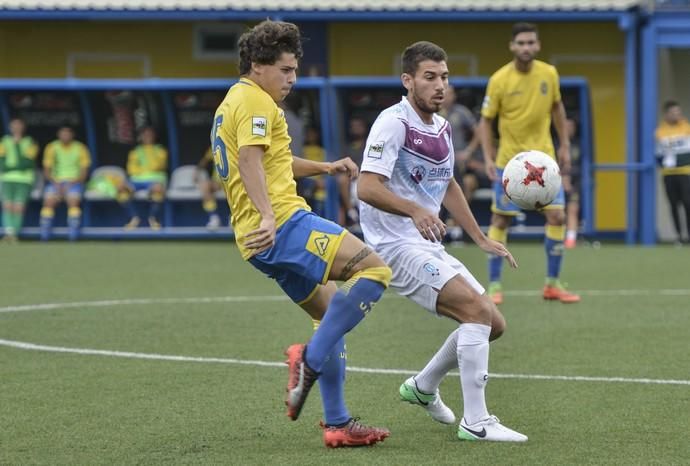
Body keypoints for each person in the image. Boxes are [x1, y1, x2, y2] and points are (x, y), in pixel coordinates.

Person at [212, 20, 392, 448]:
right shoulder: (256, 101)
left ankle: (337, 423)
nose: (292, 79)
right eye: (286, 70)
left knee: (329, 314)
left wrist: (325, 168)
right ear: (258, 66)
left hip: (255, 241)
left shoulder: (234, 100)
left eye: (294, 70)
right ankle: (307, 361)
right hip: (283, 225)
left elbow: (274, 159)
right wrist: (269, 216)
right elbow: (250, 161)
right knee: (375, 272)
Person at [358, 41, 527, 443]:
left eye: (444, 77)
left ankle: (423, 386)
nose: (439, 86)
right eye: (430, 77)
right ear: (408, 80)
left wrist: (480, 236)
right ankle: (477, 421)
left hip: (426, 245)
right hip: (393, 246)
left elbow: (447, 182)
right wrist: (414, 211)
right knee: (475, 310)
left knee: (493, 324)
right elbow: (366, 186)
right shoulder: (392, 122)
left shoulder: (444, 127)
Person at [477, 22, 580, 304]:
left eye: (531, 42)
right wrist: (487, 157)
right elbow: (486, 122)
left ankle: (552, 284)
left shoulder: (549, 73)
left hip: (545, 163)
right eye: (521, 43)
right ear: (512, 46)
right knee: (501, 219)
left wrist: (565, 145)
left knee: (557, 216)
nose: (526, 47)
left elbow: (557, 107)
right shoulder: (499, 79)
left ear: (538, 45)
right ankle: (495, 287)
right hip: (509, 166)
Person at [39, 126, 91, 241]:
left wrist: (72, 183)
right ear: (58, 134)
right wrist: (55, 183)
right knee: (49, 201)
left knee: (73, 200)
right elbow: (47, 170)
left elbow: (84, 172)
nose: (65, 136)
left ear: (72, 135)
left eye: (68, 133)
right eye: (63, 133)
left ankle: (73, 235)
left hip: (74, 182)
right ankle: (44, 235)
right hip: (56, 182)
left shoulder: (80, 148)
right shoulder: (52, 147)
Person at [655, 100, 690, 245]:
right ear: (666, 114)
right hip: (668, 174)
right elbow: (657, 154)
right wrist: (663, 163)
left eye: (678, 112)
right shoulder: (659, 132)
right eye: (673, 112)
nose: (677, 115)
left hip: (685, 172)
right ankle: (678, 236)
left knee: (688, 203)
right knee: (673, 204)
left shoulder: (687, 128)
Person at [120, 126, 168, 230]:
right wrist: (144, 170)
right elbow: (131, 168)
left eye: (150, 134)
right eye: (145, 135)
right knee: (122, 188)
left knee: (157, 190)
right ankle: (133, 217)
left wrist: (143, 170)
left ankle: (153, 218)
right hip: (136, 180)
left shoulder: (160, 150)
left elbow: (159, 165)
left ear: (154, 136)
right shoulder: (135, 151)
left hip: (155, 179)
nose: (147, 137)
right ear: (141, 137)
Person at [0, 118, 39, 243]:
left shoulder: (30, 142)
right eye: (13, 126)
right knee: (7, 206)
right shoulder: (4, 141)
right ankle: (8, 233)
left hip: (24, 180)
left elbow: (27, 163)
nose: (16, 128)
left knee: (18, 207)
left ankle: (15, 234)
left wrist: (16, 145)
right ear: (10, 127)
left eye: (18, 125)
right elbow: (2, 163)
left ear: (23, 127)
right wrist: (10, 167)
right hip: (6, 179)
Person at [299, 126, 327, 217]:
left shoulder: (322, 151)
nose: (310, 136)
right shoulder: (301, 150)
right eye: (308, 134)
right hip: (305, 184)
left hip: (320, 188)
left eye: (313, 134)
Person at [563, 118, 582, 249]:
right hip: (555, 183)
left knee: (573, 208)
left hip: (575, 182)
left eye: (572, 125)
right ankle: (556, 238)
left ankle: (571, 240)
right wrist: (563, 178)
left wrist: (569, 180)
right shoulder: (554, 143)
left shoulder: (579, 144)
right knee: (556, 212)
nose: (569, 128)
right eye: (566, 125)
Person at [196, 146, 223, 229]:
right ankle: (214, 217)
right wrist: (197, 171)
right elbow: (205, 160)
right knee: (204, 186)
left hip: (236, 179)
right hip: (218, 182)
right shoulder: (216, 145)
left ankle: (234, 217)